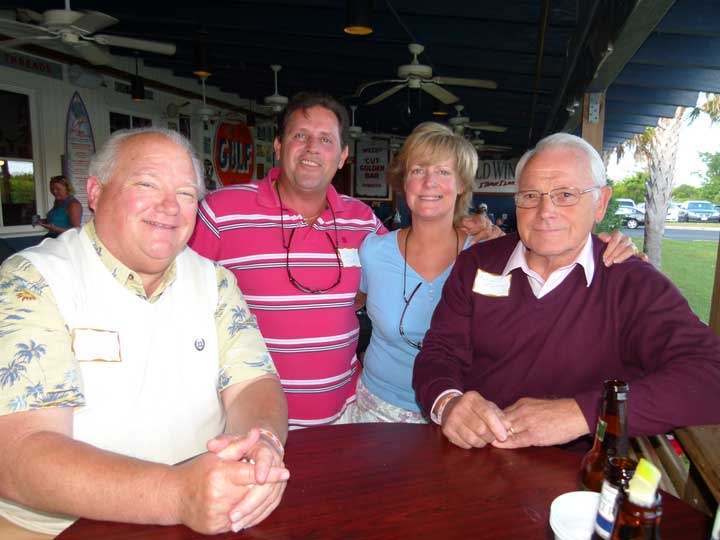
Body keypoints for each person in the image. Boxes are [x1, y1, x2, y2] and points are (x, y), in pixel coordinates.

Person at [0, 127, 289, 539]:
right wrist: (175, 493)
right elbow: (18, 452)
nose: (170, 206)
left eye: (187, 194)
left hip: (201, 514)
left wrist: (262, 446)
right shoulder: (33, 280)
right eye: (147, 184)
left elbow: (253, 384)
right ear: (96, 193)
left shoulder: (216, 282)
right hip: (59, 529)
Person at [412, 132, 720, 451]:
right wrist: (448, 403)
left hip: (578, 476)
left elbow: (711, 374)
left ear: (600, 203)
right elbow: (440, 352)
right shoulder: (478, 262)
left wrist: (582, 413)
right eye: (531, 195)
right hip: (478, 454)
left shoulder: (630, 282)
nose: (545, 211)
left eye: (566, 194)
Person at [350, 123, 640, 424]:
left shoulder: (490, 255)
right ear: (403, 181)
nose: (429, 183)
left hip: (468, 413)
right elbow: (345, 310)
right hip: (378, 407)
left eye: (443, 172)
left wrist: (605, 247)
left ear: (462, 183)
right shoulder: (373, 251)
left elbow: (560, 251)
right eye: (418, 171)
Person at [189, 92, 384, 428]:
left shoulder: (362, 220)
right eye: (300, 135)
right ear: (278, 146)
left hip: (344, 414)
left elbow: (410, 269)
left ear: (342, 156)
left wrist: (472, 240)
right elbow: (176, 295)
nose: (312, 148)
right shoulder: (221, 212)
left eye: (326, 139)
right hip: (249, 421)